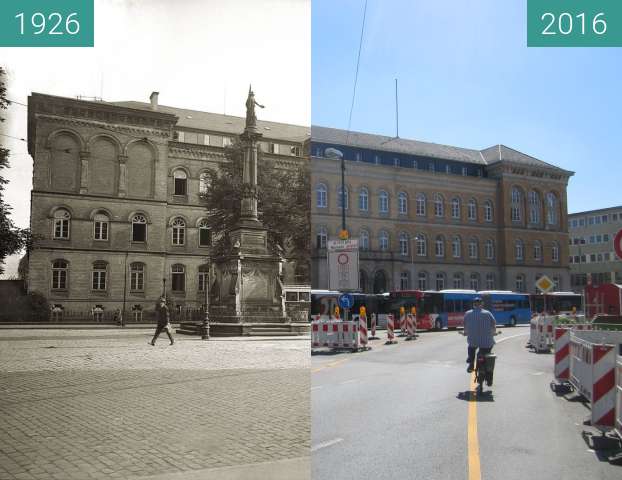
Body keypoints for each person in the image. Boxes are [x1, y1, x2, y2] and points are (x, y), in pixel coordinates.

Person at [463, 296, 496, 374]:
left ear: (473, 304)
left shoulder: (467, 314)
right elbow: (494, 323)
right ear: (482, 304)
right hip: (487, 342)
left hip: (473, 341)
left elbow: (465, 325)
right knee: (485, 353)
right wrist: (494, 332)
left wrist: (465, 332)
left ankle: (471, 363)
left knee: (471, 347)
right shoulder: (487, 313)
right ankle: (487, 371)